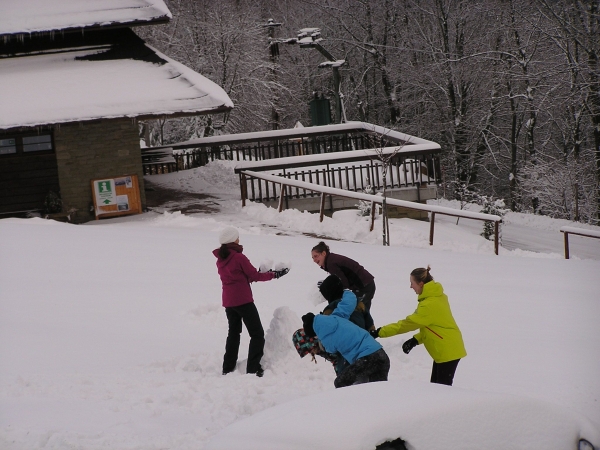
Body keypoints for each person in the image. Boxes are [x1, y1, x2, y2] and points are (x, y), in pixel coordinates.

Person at [213, 226, 289, 377]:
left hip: (229, 302)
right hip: (243, 301)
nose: (239, 239)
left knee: (234, 334)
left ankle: (227, 367)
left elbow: (241, 276)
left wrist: (260, 273)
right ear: (232, 240)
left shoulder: (221, 259)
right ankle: (253, 369)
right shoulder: (239, 257)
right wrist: (274, 274)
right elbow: (254, 276)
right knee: (257, 334)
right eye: (237, 237)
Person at [371, 266, 466, 386]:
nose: (411, 286)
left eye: (412, 283)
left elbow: (406, 325)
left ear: (421, 284)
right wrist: (415, 340)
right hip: (448, 347)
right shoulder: (437, 297)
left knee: (441, 390)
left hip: (448, 350)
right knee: (437, 387)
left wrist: (379, 332)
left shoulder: (429, 304)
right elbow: (435, 326)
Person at [301, 278, 390, 388]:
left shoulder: (329, 315)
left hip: (366, 359)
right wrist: (346, 292)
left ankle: (345, 403)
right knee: (378, 391)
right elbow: (350, 302)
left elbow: (330, 349)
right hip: (380, 354)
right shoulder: (338, 315)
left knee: (340, 383)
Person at [311, 241, 376, 330]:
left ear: (323, 253)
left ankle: (361, 334)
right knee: (362, 311)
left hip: (364, 286)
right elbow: (340, 279)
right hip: (366, 284)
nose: (314, 260)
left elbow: (342, 282)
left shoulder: (331, 263)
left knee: (355, 311)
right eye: (312, 258)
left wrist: (327, 286)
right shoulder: (331, 260)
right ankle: (367, 332)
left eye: (316, 256)